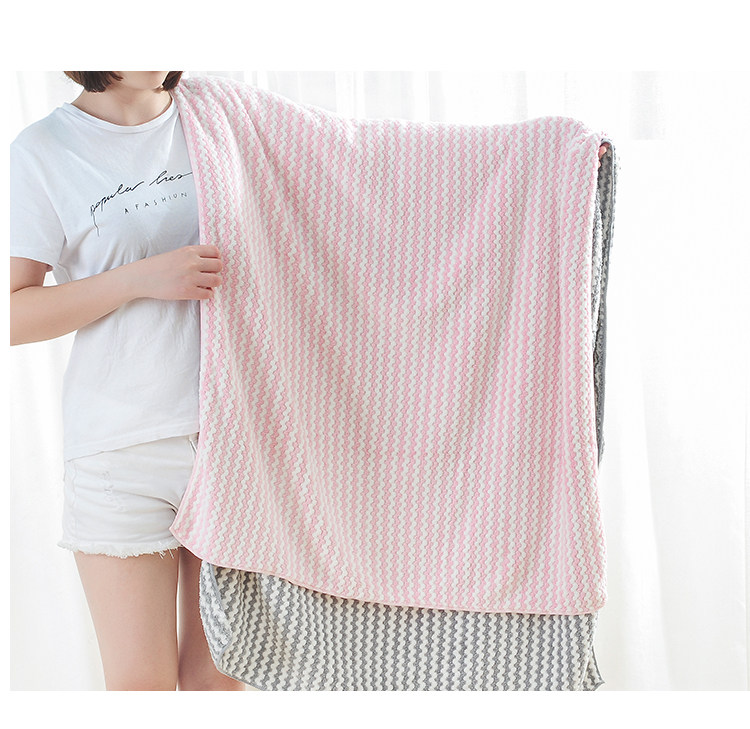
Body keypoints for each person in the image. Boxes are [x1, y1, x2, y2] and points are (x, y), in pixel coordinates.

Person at [9, 71, 244, 691]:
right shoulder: (45, 149)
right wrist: (139, 279)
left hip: (233, 441)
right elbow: (13, 312)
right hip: (120, 451)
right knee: (140, 687)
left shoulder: (224, 118)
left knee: (223, 680)